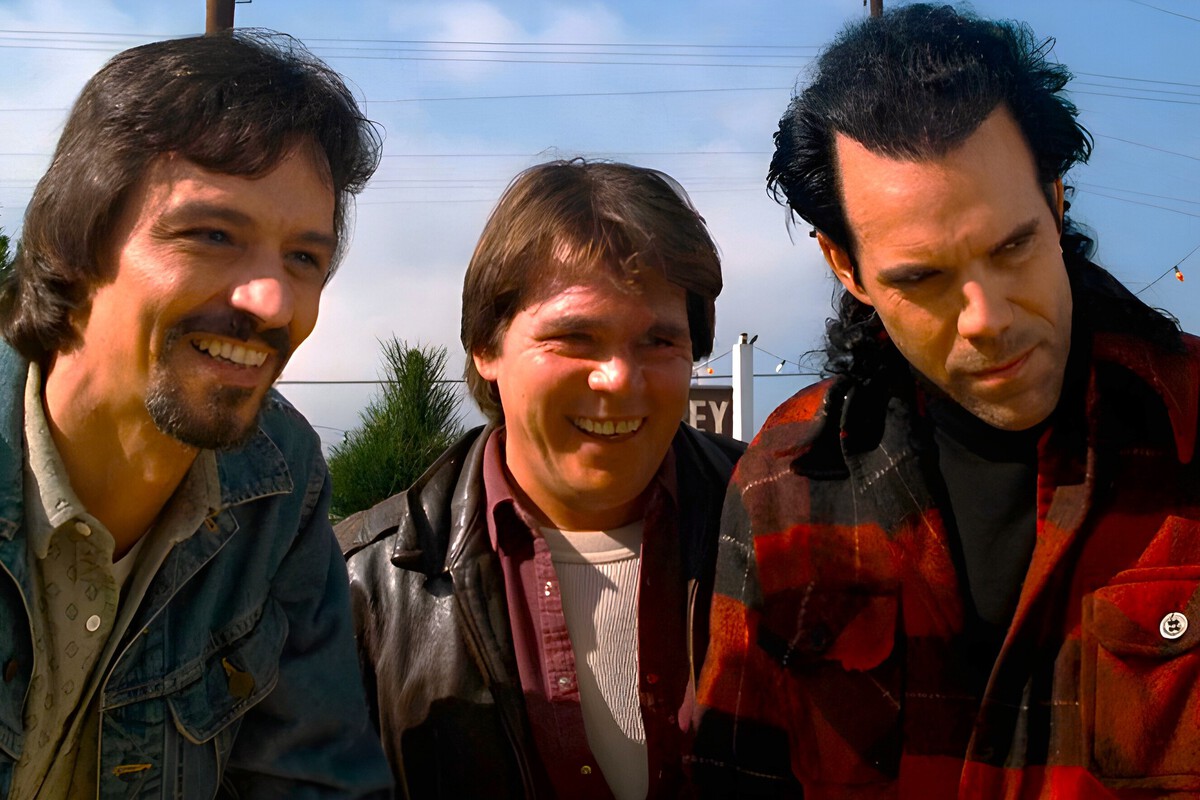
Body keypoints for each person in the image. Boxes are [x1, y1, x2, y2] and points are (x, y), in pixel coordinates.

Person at [694, 4, 1200, 797]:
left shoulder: (1188, 426)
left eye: (1013, 247)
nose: (986, 318)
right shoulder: (784, 485)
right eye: (922, 278)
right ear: (846, 267)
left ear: (1056, 200)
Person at [0, 31, 392, 797]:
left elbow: (315, 779)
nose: (272, 302)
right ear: (76, 242)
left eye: (303, 259)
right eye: (213, 235)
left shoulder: (280, 482)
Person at [339, 159, 744, 799]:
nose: (618, 378)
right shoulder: (358, 588)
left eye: (659, 342)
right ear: (486, 346)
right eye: (574, 337)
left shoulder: (787, 525)